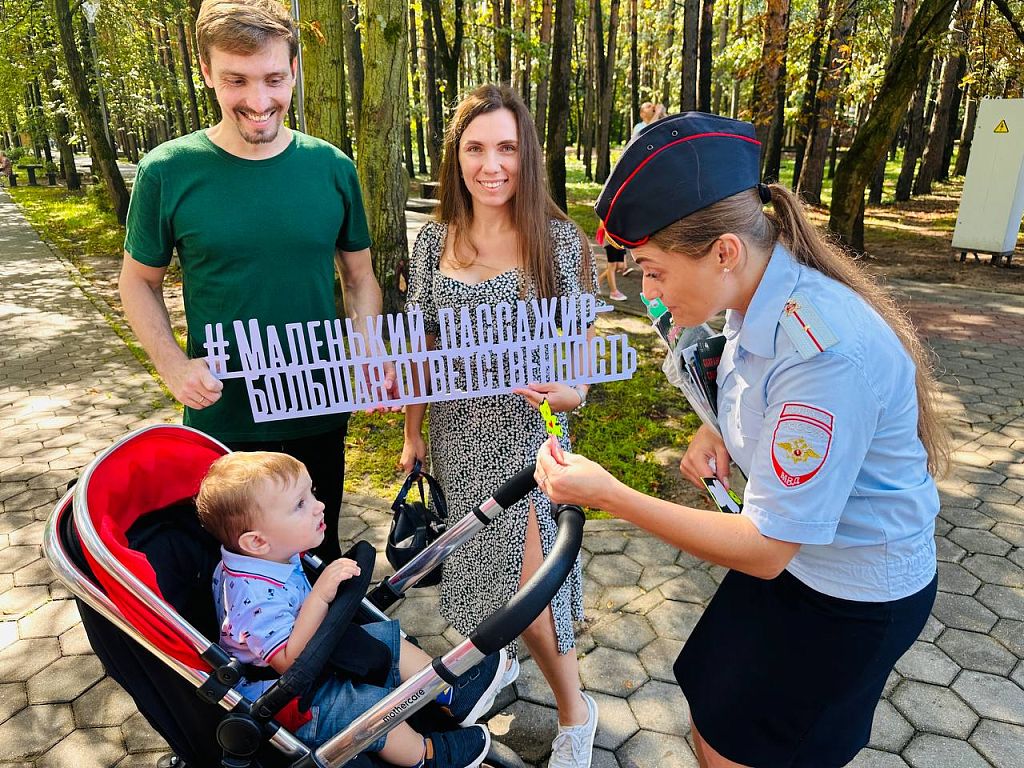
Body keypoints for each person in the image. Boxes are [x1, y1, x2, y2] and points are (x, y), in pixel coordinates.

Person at [535, 112, 947, 768]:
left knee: (747, 747)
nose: (648, 291)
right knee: (712, 702)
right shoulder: (754, 294)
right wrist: (715, 427)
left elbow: (763, 551)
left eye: (654, 271)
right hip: (806, 561)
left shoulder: (822, 353)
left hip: (851, 595)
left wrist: (611, 495)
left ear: (724, 251)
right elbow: (753, 383)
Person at [118, 0, 394, 563]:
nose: (259, 100)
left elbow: (360, 276)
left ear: (294, 69)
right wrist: (172, 364)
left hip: (319, 403)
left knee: (320, 553)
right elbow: (138, 282)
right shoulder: (167, 170)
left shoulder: (333, 168)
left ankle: (324, 647)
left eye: (273, 78)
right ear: (206, 74)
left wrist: (367, 349)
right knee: (233, 571)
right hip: (225, 415)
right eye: (236, 81)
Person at [400, 84, 599, 768]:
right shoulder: (432, 242)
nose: (491, 165)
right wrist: (412, 434)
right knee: (482, 569)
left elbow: (582, 376)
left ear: (528, 155)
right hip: (457, 436)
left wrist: (563, 394)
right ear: (456, 156)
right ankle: (504, 664)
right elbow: (422, 349)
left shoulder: (560, 244)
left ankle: (576, 710)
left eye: (507, 148)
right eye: (476, 148)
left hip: (528, 438)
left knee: (531, 580)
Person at [196, 451, 507, 767]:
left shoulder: (271, 555)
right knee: (370, 709)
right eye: (300, 504)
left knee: (388, 638)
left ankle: (450, 690)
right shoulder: (252, 598)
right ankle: (424, 756)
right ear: (258, 542)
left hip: (316, 659)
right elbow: (290, 665)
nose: (319, 505)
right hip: (290, 701)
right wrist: (320, 597)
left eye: (312, 493)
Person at [596, 228, 628, 301]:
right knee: (612, 266)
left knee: (620, 266)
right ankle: (614, 292)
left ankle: (596, 282)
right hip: (611, 240)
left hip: (620, 240)